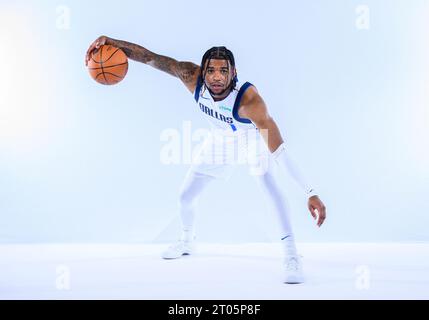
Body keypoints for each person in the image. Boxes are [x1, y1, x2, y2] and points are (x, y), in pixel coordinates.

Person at [85, 37, 327, 284]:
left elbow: (280, 153)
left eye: (224, 71)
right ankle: (187, 241)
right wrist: (110, 42)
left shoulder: (250, 102)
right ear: (202, 72)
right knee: (185, 195)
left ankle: (290, 254)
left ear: (234, 73)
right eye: (210, 70)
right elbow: (150, 58)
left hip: (252, 139)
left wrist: (310, 192)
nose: (217, 77)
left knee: (268, 186)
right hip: (221, 140)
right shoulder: (191, 77)